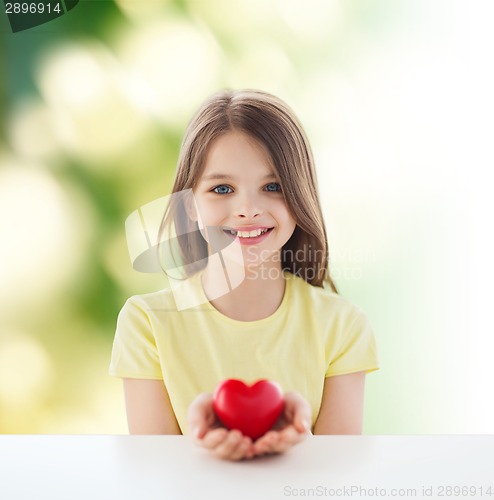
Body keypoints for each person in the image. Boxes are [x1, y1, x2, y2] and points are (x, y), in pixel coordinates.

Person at [109, 89, 379, 461]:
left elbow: (339, 478)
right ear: (189, 205)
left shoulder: (342, 325)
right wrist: (199, 442)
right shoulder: (146, 323)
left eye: (273, 187)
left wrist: (301, 440)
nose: (248, 209)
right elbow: (155, 477)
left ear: (302, 195)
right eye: (222, 188)